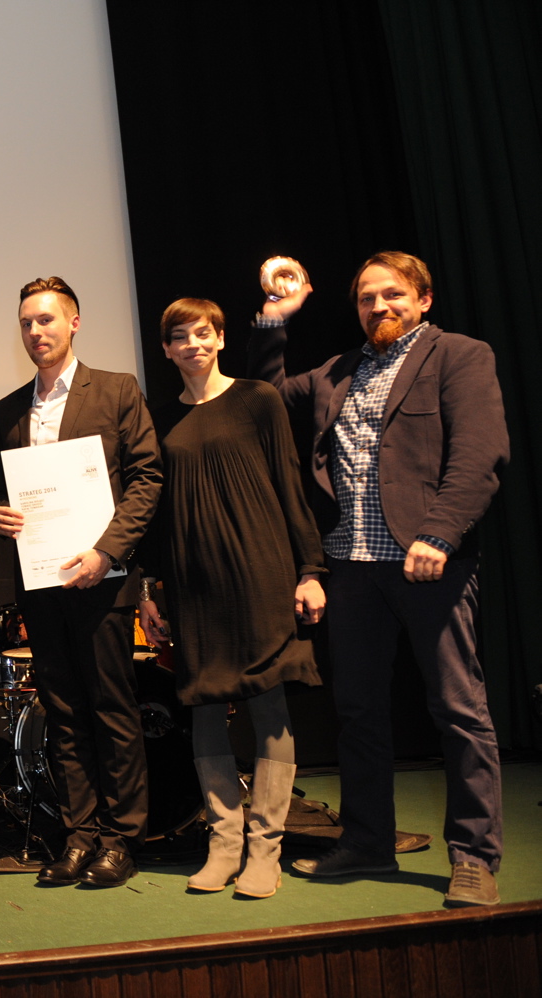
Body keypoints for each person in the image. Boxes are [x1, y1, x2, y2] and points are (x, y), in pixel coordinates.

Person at [247, 251, 508, 907]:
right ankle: (367, 840)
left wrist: (440, 532)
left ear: (423, 299)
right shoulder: (338, 370)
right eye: (366, 298)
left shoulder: (458, 356)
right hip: (351, 568)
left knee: (457, 711)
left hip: (428, 563)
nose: (378, 306)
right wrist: (274, 320)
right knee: (358, 712)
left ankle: (473, 856)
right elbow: (265, 402)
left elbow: (479, 454)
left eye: (392, 294)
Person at [136, 298, 326, 899]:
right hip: (192, 584)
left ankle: (265, 851)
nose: (192, 344)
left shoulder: (257, 399)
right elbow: (153, 513)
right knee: (203, 707)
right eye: (179, 336)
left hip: (260, 571)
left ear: (220, 338)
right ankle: (223, 844)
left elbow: (291, 483)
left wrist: (310, 569)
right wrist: (148, 588)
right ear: (166, 350)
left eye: (203, 332)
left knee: (268, 706)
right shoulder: (159, 419)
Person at [0, 276, 162, 889]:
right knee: (62, 712)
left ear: (74, 322)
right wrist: (2, 517)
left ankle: (120, 840)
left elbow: (147, 478)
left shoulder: (116, 390)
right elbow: (5, 495)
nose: (35, 332)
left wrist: (106, 551)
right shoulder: (10, 408)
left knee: (111, 710)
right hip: (41, 583)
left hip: (102, 579)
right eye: (26, 323)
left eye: (46, 320)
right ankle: (78, 837)